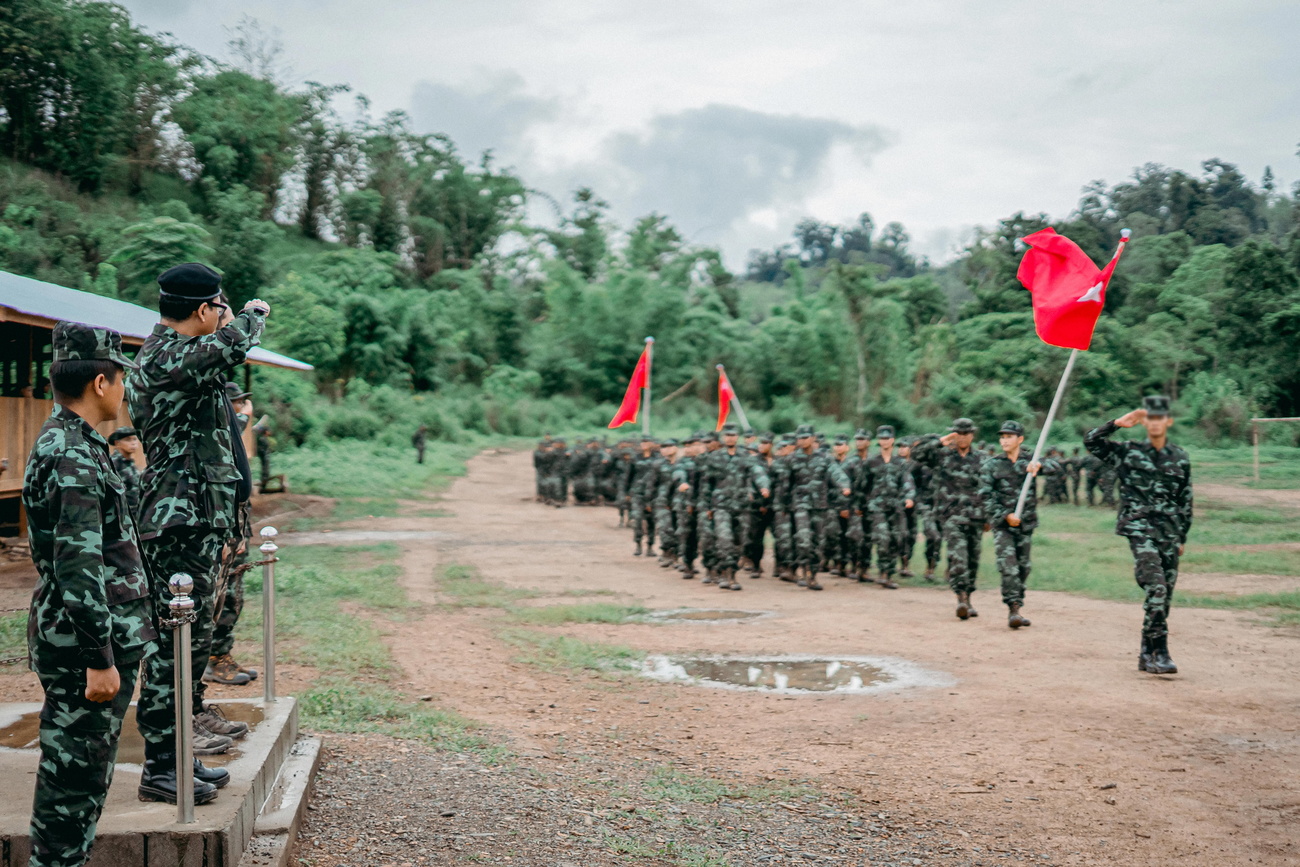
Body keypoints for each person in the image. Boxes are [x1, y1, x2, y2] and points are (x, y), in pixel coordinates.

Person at [23, 322, 177, 867]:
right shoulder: (73, 456)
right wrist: (99, 658)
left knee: (85, 777)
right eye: (121, 379)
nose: (124, 390)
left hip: (90, 637)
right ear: (101, 383)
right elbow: (78, 565)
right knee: (73, 783)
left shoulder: (77, 443)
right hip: (83, 645)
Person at [127, 263, 268, 802]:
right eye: (218, 307)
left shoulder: (187, 358)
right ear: (205, 309)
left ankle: (174, 757)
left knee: (193, 639)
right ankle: (161, 767)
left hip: (196, 515)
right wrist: (251, 314)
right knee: (172, 642)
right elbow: (231, 346)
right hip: (175, 518)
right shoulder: (167, 355)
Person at [1085, 396, 1192, 674]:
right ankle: (1161, 650)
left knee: (1164, 594)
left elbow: (1185, 498)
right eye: (1150, 418)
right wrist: (1116, 424)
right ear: (1145, 422)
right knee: (1156, 586)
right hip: (1139, 527)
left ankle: (1145, 652)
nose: (1155, 423)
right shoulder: (1128, 452)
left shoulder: (1180, 456)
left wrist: (1182, 537)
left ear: (1167, 421)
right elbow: (1092, 442)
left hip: (1169, 531)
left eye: (1160, 418)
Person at [980, 421, 1060, 629]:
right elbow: (985, 496)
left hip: (1026, 523)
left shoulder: (1030, 460)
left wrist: (1039, 466)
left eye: (1009, 437)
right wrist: (1005, 515)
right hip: (1003, 525)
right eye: (1002, 437)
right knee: (1009, 567)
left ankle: (1018, 603)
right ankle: (1013, 608)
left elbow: (1056, 467)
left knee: (1024, 567)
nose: (1004, 440)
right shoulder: (992, 465)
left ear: (1020, 439)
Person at [912, 418, 987, 619]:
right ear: (953, 434)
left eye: (965, 434)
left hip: (976, 516)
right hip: (951, 516)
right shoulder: (941, 455)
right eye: (958, 434)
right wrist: (940, 441)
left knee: (972, 560)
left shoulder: (982, 458)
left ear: (972, 435)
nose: (962, 438)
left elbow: (988, 489)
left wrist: (988, 516)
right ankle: (961, 598)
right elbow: (916, 454)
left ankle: (968, 598)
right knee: (958, 557)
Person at [706, 424, 770, 590]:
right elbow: (706, 484)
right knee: (724, 539)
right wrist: (706, 505)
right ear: (723, 437)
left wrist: (764, 486)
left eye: (733, 435)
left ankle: (732, 574)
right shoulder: (715, 458)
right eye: (727, 435)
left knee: (740, 542)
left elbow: (757, 471)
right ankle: (726, 574)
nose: (730, 438)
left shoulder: (745, 456)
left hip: (741, 507)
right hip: (721, 506)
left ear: (737, 437)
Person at [861, 425, 916, 589]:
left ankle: (889, 574)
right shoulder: (871, 462)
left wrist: (909, 497)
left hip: (895, 506)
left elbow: (907, 481)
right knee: (883, 539)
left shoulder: (900, 462)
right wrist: (858, 506)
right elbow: (863, 485)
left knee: (896, 540)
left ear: (893, 440)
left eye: (887, 438)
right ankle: (883, 573)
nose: (884, 441)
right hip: (877, 507)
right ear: (878, 440)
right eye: (881, 438)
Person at [107, 426, 143, 519]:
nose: (133, 443)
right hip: (123, 516)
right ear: (117, 443)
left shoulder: (130, 464)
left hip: (136, 514)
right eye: (128, 440)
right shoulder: (114, 463)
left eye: (134, 439)